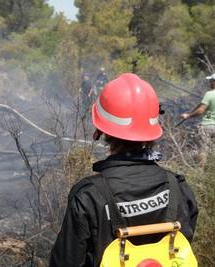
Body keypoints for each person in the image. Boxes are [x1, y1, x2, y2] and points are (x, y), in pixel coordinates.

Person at [50, 73, 198, 267]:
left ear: (101, 130)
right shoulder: (177, 186)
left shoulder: (89, 195)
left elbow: (66, 262)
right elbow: (184, 242)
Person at [181, 73, 215, 152]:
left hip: (207, 127)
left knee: (203, 151)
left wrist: (188, 115)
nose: (209, 83)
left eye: (211, 81)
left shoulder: (210, 94)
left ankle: (203, 164)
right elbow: (208, 109)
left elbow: (201, 110)